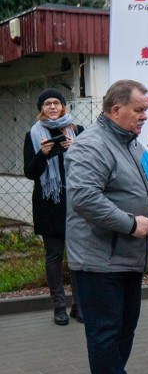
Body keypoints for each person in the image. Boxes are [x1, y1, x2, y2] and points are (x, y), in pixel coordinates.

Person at [65, 80, 148, 374]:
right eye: (139, 109)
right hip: (99, 260)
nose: (145, 117)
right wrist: (130, 224)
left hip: (128, 256)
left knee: (125, 330)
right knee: (105, 333)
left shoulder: (133, 143)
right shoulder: (92, 145)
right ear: (116, 110)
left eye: (146, 110)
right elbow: (85, 198)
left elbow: (146, 184)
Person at [23, 89, 84, 326]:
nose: (52, 106)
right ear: (41, 108)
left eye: (56, 102)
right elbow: (30, 172)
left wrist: (75, 149)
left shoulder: (77, 132)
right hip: (49, 203)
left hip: (75, 201)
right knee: (54, 256)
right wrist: (42, 154)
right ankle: (59, 307)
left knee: (78, 257)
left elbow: (90, 165)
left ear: (63, 106)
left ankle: (79, 307)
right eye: (47, 103)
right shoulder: (33, 134)